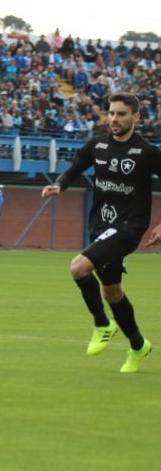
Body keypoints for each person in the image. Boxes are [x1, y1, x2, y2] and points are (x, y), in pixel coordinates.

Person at [44, 93, 160, 373]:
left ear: (136, 118)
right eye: (111, 113)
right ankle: (137, 344)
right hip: (100, 225)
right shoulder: (97, 145)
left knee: (78, 267)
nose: (114, 119)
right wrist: (59, 185)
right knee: (112, 293)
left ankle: (102, 324)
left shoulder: (147, 152)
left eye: (121, 114)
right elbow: (73, 170)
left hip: (130, 225)